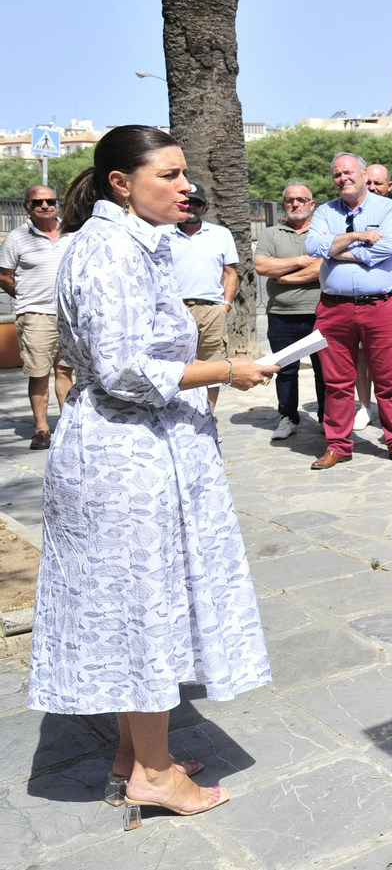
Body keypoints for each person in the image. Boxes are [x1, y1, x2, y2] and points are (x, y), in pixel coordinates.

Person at [36, 125, 277, 823]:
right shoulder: (109, 249)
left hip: (140, 449)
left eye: (185, 174)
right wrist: (228, 369)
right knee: (143, 609)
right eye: (168, 174)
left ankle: (132, 751)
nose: (185, 186)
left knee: (139, 601)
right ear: (121, 182)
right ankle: (152, 770)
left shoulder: (133, 243)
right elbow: (124, 368)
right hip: (123, 456)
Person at [304, 152, 392, 469]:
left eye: (349, 172)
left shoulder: (389, 209)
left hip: (381, 306)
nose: (343, 178)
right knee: (336, 383)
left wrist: (337, 250)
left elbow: (388, 249)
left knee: (388, 380)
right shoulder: (324, 211)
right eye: (337, 174)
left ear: (364, 175)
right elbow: (313, 247)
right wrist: (356, 236)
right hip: (334, 309)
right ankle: (338, 444)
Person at [0, 185, 73, 449]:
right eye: (37, 202)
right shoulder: (17, 238)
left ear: (57, 203)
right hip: (35, 315)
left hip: (69, 315)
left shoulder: (72, 232)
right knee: (39, 373)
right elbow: (4, 276)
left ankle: (68, 424)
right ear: (27, 207)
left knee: (66, 371)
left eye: (50, 200)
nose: (45, 205)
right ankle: (42, 429)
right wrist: (26, 296)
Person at [254, 182, 326, 440]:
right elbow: (262, 266)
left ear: (311, 204)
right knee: (284, 370)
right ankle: (288, 417)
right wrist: (299, 261)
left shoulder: (321, 232)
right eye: (289, 200)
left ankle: (326, 418)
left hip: (318, 313)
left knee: (325, 370)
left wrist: (284, 277)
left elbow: (321, 267)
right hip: (281, 314)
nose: (295, 204)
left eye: (301, 199)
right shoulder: (271, 234)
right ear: (284, 204)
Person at [167, 186, 239, 413]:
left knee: (212, 366)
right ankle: (179, 417)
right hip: (174, 310)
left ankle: (207, 417)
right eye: (186, 203)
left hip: (211, 311)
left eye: (196, 203)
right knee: (176, 366)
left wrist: (225, 306)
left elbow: (230, 273)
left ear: (204, 207)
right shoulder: (161, 234)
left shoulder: (221, 234)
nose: (190, 208)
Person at [352, 163, 392, 429]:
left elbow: (390, 249)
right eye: (368, 182)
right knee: (361, 357)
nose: (372, 188)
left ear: (389, 186)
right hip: (368, 298)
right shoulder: (355, 212)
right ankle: (365, 407)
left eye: (378, 183)